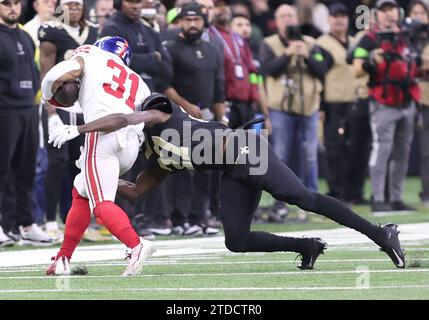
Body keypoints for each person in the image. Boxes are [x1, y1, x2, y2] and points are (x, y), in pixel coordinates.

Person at [50, 93, 407, 270]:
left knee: (299, 196)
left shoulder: (159, 116)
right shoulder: (157, 159)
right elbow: (134, 192)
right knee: (236, 240)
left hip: (245, 149)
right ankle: (306, 246)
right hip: (233, 168)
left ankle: (381, 233)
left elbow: (130, 116)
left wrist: (79, 129)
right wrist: (95, 177)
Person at [42, 37, 154, 276]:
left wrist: (46, 94)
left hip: (102, 133)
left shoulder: (92, 54)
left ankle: (136, 244)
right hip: (131, 144)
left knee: (101, 203)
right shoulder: (137, 80)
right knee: (81, 190)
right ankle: (63, 258)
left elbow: (61, 72)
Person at [163, 2, 225, 235]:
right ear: (180, 21)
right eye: (188, 20)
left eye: (196, 20)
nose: (192, 24)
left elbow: (219, 89)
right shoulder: (170, 47)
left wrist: (222, 119)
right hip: (178, 117)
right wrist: (186, 106)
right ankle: (180, 219)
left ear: (203, 21)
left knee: (206, 170)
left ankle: (202, 217)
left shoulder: (212, 49)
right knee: (180, 168)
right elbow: (164, 85)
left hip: (207, 116)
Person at [38, 0, 99, 240]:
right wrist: (50, 110)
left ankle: (75, 220)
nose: (74, 8)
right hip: (59, 105)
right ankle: (50, 220)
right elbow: (46, 69)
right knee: (56, 162)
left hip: (85, 106)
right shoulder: (51, 29)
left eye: (78, 4)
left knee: (80, 163)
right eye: (69, 4)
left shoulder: (93, 30)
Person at [353, 0, 420, 213]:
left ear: (398, 13)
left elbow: (415, 65)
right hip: (383, 103)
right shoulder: (369, 38)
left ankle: (397, 198)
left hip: (406, 101)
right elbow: (357, 70)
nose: (389, 14)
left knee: (403, 152)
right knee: (382, 150)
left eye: (392, 9)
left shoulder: (406, 36)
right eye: (384, 10)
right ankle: (379, 198)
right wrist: (372, 60)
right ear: (377, 15)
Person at [259, 4, 326, 216]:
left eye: (290, 16)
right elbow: (268, 69)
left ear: (296, 19)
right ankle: (281, 201)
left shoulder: (311, 43)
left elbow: (322, 70)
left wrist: (307, 56)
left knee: (310, 154)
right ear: (276, 21)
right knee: (281, 155)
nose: (287, 20)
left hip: (309, 106)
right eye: (283, 16)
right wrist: (288, 53)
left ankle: (314, 200)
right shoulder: (268, 43)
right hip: (281, 107)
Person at [0, 0, 53, 246]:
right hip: (4, 111)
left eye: (15, 3)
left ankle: (26, 223)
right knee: (2, 170)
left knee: (27, 170)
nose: (12, 8)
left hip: (28, 109)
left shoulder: (25, 36)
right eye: (5, 3)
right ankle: (3, 224)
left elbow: (33, 72)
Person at [317, 3, 359, 203]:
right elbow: (319, 76)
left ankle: (353, 191)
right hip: (333, 103)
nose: (339, 20)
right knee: (334, 149)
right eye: (335, 16)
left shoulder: (354, 42)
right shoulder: (322, 43)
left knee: (355, 149)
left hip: (354, 101)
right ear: (329, 19)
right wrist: (321, 106)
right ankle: (337, 191)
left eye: (343, 16)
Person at [100, 0, 172, 93]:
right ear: (119, 3)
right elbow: (117, 66)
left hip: (150, 93)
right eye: (131, 1)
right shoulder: (111, 29)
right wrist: (154, 57)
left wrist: (138, 61)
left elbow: (167, 69)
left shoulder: (149, 31)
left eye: (138, 2)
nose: (135, 6)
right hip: (122, 94)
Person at [408, 0, 429, 207]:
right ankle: (426, 192)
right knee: (425, 152)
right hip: (413, 98)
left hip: (424, 97)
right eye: (415, 12)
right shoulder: (404, 39)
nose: (419, 16)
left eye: (422, 12)